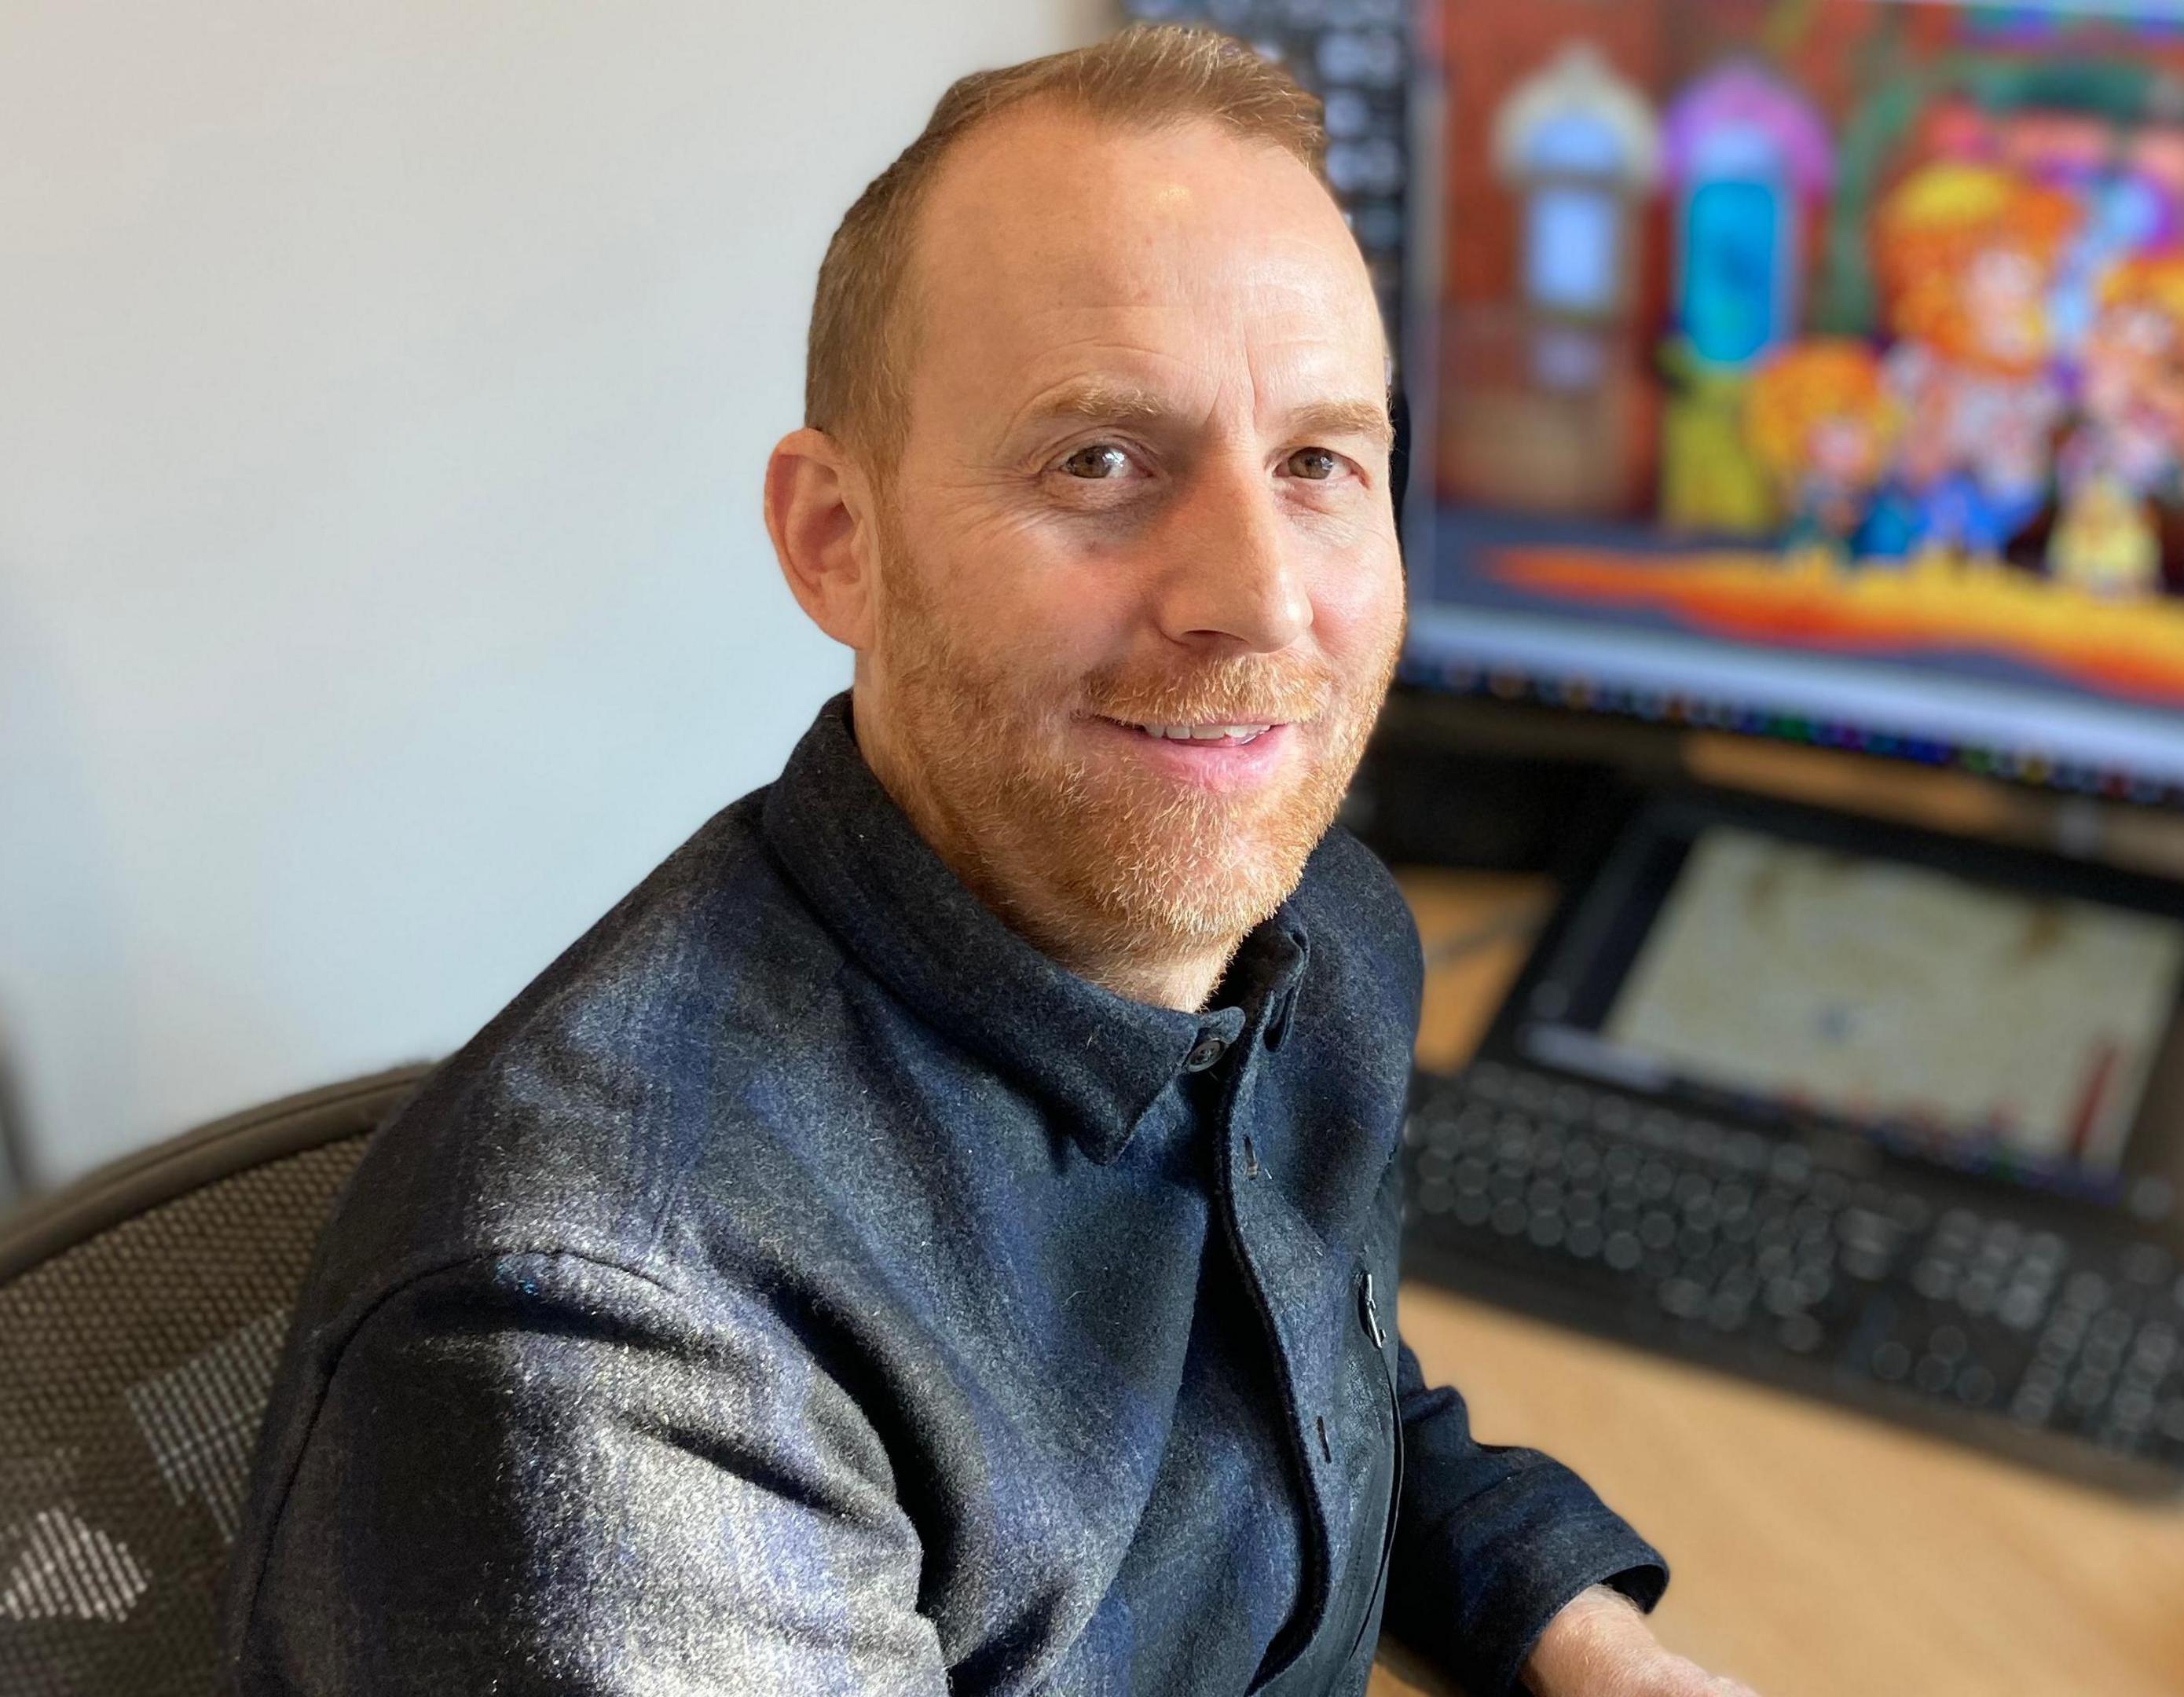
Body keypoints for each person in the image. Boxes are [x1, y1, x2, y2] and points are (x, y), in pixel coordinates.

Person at [219, 27, 1750, 1697]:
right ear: (837, 543)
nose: (1257, 595)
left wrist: (1578, 1636)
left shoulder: (1314, 938)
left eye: (1319, 461)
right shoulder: (615, 1346)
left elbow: (1316, 1391)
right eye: (1098, 460)